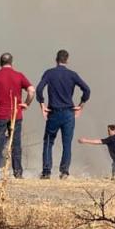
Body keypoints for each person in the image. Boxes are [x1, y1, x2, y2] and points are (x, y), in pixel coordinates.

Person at [36, 49, 90, 179]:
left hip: (53, 113)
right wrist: (81, 105)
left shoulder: (49, 73)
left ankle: (46, 172)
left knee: (48, 142)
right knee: (67, 143)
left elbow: (39, 89)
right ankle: (64, 171)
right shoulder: (72, 75)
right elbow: (87, 90)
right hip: (68, 114)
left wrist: (42, 105)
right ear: (67, 60)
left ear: (56, 59)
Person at [0, 52, 35, 179]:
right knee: (15, 143)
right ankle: (18, 172)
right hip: (16, 114)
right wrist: (26, 104)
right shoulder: (19, 76)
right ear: (12, 63)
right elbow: (32, 90)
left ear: (0, 63)